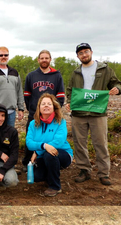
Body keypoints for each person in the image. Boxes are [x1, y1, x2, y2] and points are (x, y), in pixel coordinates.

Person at [66, 43, 121, 186]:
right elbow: (70, 90)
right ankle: (84, 170)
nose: (84, 55)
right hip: (79, 113)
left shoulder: (104, 69)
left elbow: (116, 83)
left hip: (98, 112)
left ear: (91, 52)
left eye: (86, 52)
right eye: (80, 53)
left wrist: (117, 89)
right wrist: (69, 101)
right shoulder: (76, 72)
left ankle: (104, 173)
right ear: (77, 56)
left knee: (101, 143)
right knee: (79, 143)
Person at [22, 50, 65, 170]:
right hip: (35, 114)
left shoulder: (57, 75)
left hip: (51, 115)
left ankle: (51, 161)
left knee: (50, 137)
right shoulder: (31, 75)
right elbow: (27, 95)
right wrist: (32, 109)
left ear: (50, 59)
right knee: (31, 137)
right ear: (38, 60)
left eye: (47, 58)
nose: (44, 60)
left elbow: (61, 95)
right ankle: (27, 162)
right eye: (42, 58)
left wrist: (56, 111)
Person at [26, 93, 73, 197]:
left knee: (49, 155)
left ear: (54, 107)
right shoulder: (33, 124)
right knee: (37, 177)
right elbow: (29, 143)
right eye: (43, 104)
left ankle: (55, 186)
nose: (46, 106)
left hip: (62, 153)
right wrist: (43, 146)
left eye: (49, 104)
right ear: (39, 108)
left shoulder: (61, 122)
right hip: (43, 154)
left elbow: (58, 142)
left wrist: (38, 151)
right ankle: (50, 174)